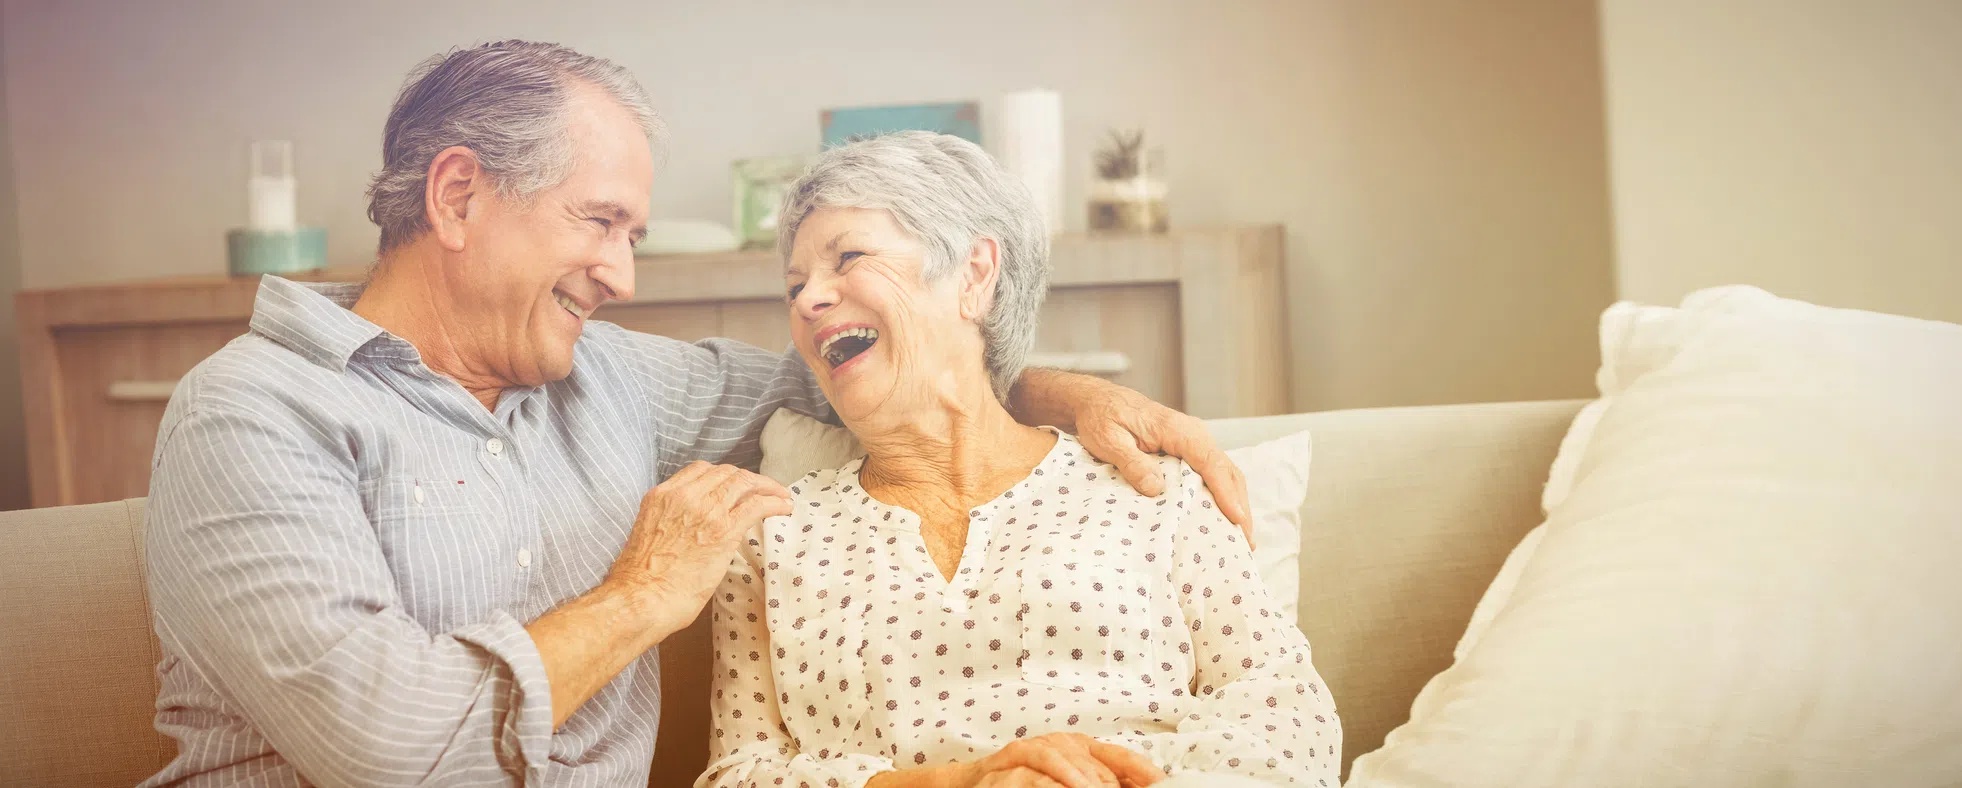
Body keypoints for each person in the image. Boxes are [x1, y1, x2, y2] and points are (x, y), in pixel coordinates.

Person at [140, 42, 1249, 786]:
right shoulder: (250, 414)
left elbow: (870, 371)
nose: (622, 273)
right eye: (601, 221)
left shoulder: (607, 377)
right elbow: (382, 743)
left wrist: (1061, 390)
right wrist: (637, 598)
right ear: (458, 196)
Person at [700, 132, 1340, 788]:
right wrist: (963, 783)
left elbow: (1287, 723)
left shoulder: (1152, 489)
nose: (808, 300)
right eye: (795, 285)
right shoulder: (770, 537)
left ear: (974, 275)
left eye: (848, 258)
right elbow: (737, 776)